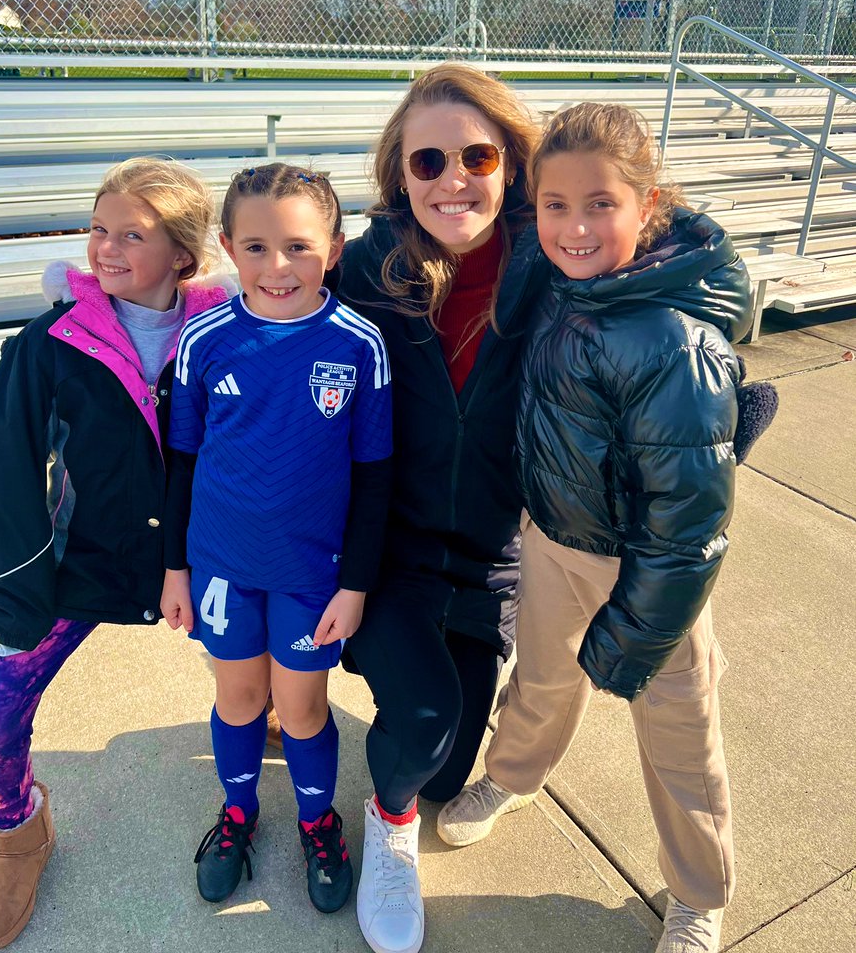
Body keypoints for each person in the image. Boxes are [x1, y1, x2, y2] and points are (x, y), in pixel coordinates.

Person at [437, 102, 756, 953]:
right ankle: (512, 776)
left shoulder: (669, 337)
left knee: (679, 734)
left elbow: (689, 525)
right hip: (552, 539)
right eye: (555, 205)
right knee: (540, 680)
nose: (575, 226)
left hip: (649, 572)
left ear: (647, 206)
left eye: (600, 205)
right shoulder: (559, 281)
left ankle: (698, 892)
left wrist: (633, 631)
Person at [0, 158, 226, 951]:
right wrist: (16, 587)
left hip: (200, 559)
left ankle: (264, 710)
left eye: (131, 235)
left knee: (256, 676)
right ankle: (20, 837)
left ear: (183, 253)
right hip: (82, 565)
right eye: (98, 229)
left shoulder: (229, 331)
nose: (105, 249)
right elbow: (5, 474)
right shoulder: (51, 342)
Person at [335, 64, 549, 953]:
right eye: (428, 160)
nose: (453, 177)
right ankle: (386, 839)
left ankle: (401, 750)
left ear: (511, 162)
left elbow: (665, 261)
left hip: (493, 554)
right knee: (421, 724)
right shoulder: (371, 267)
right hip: (393, 547)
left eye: (477, 153)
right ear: (400, 175)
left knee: (449, 768)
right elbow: (274, 315)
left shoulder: (553, 260)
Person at [160, 163, 392, 915]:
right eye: (255, 247)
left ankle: (318, 822)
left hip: (311, 576)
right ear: (227, 247)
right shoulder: (205, 338)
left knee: (299, 711)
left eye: (298, 245)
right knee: (239, 698)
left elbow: (375, 476)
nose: (277, 266)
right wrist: (176, 570)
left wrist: (354, 584)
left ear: (334, 245)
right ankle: (238, 813)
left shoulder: (359, 344)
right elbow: (184, 463)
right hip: (224, 568)